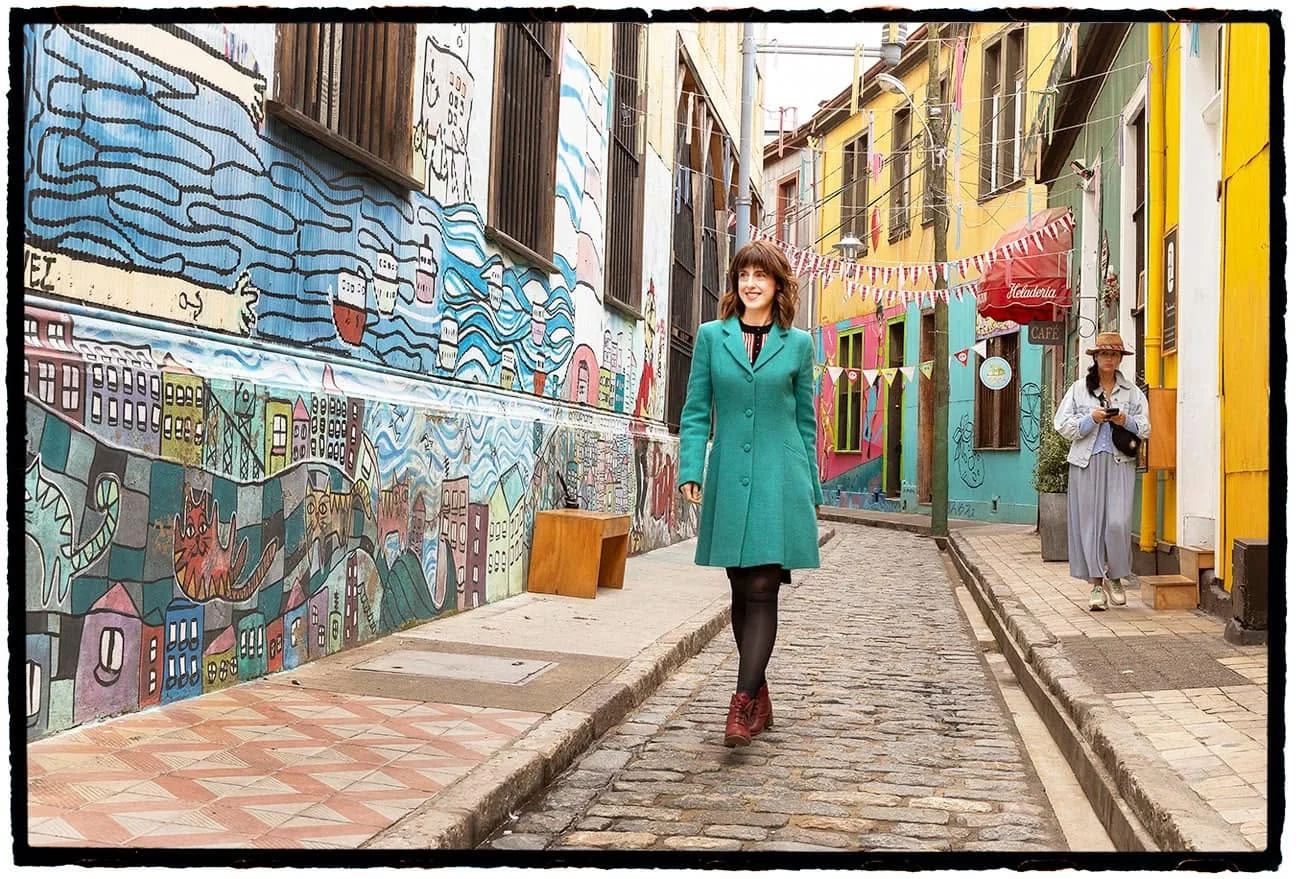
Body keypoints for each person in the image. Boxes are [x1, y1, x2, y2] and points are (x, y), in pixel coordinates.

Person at [677, 239, 822, 748]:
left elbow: (806, 421)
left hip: (781, 478)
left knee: (763, 588)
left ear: (779, 284)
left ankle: (740, 704)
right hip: (729, 476)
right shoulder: (712, 338)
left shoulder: (799, 344)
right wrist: (690, 467)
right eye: (744, 274)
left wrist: (811, 487)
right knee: (740, 589)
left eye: (762, 275)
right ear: (736, 283)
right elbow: (697, 409)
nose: (752, 283)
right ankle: (760, 693)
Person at [1051, 332, 1151, 611]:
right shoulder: (1078, 389)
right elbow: (1062, 425)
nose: (1110, 358)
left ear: (1120, 359)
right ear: (1095, 357)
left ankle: (1116, 577)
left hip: (1120, 463)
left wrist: (1126, 419)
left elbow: (1146, 427)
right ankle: (1096, 585)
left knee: (1118, 523)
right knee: (1090, 525)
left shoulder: (1132, 392)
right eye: (1105, 353)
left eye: (1115, 354)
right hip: (1086, 463)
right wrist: (1089, 419)